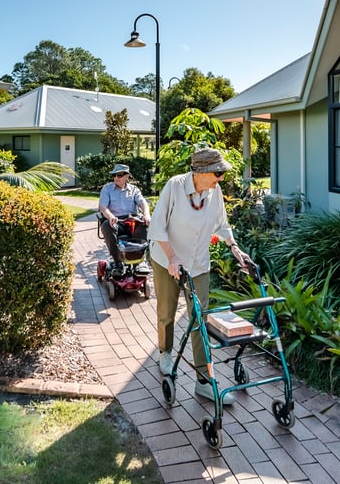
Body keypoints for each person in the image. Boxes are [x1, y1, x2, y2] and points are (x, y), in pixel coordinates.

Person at [147, 148, 251, 405]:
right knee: (166, 312)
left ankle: (204, 381)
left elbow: (222, 225)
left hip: (198, 265)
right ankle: (165, 352)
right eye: (218, 173)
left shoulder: (214, 193)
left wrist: (235, 248)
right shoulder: (175, 187)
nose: (221, 178)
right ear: (201, 171)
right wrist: (171, 257)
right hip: (166, 260)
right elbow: (157, 226)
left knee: (199, 318)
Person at [98, 163, 151, 272]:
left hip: (131, 221)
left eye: (120, 175)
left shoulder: (134, 190)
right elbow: (102, 207)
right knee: (107, 225)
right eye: (114, 175)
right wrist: (110, 216)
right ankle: (117, 262)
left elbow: (143, 203)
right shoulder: (107, 189)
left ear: (127, 176)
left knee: (143, 225)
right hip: (116, 221)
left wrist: (146, 214)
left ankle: (139, 262)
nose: (116, 177)